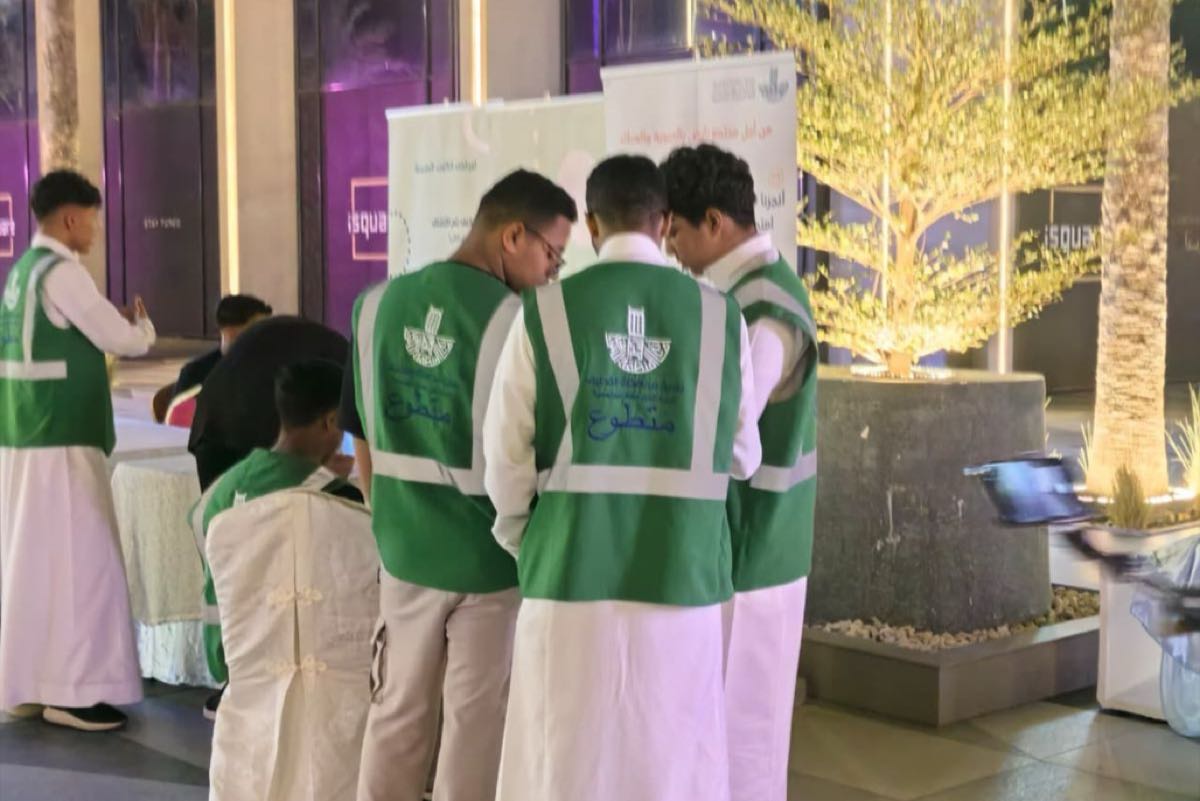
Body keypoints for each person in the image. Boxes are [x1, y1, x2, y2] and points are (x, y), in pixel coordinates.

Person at [482, 154, 761, 801]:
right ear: (663, 222)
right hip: (684, 578)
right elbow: (743, 455)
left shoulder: (545, 311)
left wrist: (528, 540)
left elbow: (505, 459)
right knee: (672, 766)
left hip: (567, 578)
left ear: (591, 224)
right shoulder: (720, 316)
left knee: (564, 764)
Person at [344, 168, 577, 801]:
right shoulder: (525, 323)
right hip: (490, 563)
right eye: (552, 255)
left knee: (396, 712)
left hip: (404, 551)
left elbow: (357, 428)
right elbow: (537, 454)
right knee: (476, 727)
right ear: (512, 236)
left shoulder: (375, 307)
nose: (552, 273)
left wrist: (387, 515)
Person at [662, 144, 818, 801]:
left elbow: (730, 428)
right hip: (739, 548)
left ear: (716, 222)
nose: (669, 247)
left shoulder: (765, 309)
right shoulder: (739, 295)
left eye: (675, 230)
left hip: (756, 555)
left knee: (746, 740)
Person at [0, 169, 156, 731]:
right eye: (91, 219)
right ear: (70, 218)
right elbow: (120, 339)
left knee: (32, 564)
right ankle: (73, 692)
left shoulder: (23, 270)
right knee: (83, 566)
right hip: (61, 441)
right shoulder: (63, 271)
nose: (94, 229)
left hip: (24, 434)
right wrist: (143, 327)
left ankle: (26, 682)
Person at [192, 359, 361, 720]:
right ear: (330, 421)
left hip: (232, 658)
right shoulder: (334, 498)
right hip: (305, 663)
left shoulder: (220, 490)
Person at [188, 316, 348, 489]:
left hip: (208, 422)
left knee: (221, 501)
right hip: (243, 428)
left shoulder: (318, 342)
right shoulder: (341, 360)